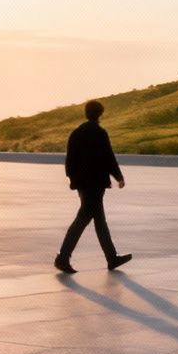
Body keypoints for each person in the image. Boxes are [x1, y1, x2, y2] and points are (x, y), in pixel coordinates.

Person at [55, 99, 132, 273]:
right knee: (82, 220)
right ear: (100, 114)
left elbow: (69, 160)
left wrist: (73, 180)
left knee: (99, 221)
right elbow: (108, 158)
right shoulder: (99, 133)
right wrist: (118, 177)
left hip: (83, 184)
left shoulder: (76, 133)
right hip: (96, 184)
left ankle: (111, 258)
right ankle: (62, 258)